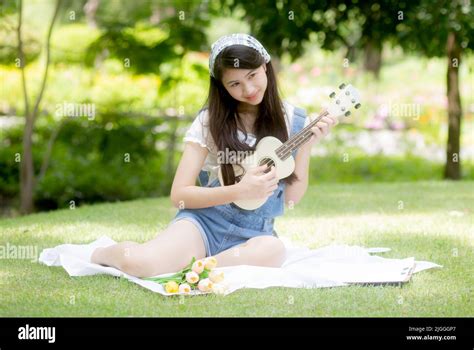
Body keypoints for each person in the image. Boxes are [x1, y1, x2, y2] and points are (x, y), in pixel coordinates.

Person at [91, 33, 337, 278]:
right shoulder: (209, 121)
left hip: (255, 235)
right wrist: (239, 191)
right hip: (203, 225)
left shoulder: (292, 120)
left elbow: (289, 199)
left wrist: (306, 145)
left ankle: (198, 267)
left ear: (265, 66)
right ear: (221, 86)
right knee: (138, 264)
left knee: (273, 249)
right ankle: (106, 254)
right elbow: (179, 195)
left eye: (252, 76)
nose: (249, 89)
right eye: (235, 84)